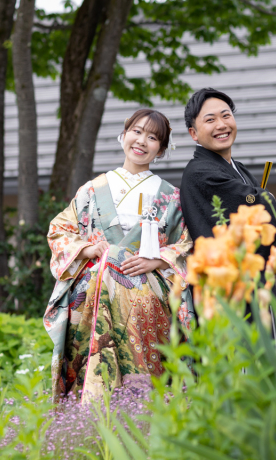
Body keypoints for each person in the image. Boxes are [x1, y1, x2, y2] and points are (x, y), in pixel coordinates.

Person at [43, 109, 195, 403]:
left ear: (162, 149)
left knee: (143, 366)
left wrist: (158, 260)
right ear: (124, 134)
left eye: (153, 137)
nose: (142, 141)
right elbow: (59, 230)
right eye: (136, 131)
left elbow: (188, 244)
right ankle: (91, 421)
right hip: (93, 289)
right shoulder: (92, 189)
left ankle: (141, 418)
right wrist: (88, 249)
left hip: (147, 291)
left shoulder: (172, 197)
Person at [180, 88, 276, 293]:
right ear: (194, 133)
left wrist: (264, 200)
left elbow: (263, 210)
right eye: (210, 120)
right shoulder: (200, 172)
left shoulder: (238, 168)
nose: (221, 125)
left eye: (226, 115)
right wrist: (267, 199)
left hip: (251, 282)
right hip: (225, 290)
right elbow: (262, 207)